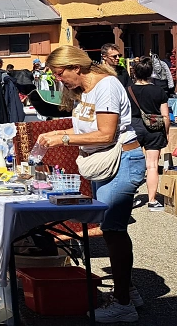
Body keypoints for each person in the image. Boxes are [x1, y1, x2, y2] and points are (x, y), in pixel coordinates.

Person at [36, 45, 145, 322]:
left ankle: (123, 304)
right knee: (112, 230)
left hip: (120, 161)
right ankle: (128, 291)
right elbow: (86, 128)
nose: (59, 79)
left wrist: (63, 139)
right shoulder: (85, 91)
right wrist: (59, 131)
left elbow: (106, 134)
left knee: (113, 229)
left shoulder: (105, 86)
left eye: (60, 73)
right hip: (107, 163)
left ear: (76, 67)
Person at [130, 57, 170, 211]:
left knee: (131, 163)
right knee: (152, 165)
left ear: (134, 72)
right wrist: (165, 134)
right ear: (150, 73)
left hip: (133, 128)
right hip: (154, 128)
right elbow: (165, 116)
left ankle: (130, 197)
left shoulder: (128, 90)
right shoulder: (158, 91)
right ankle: (152, 201)